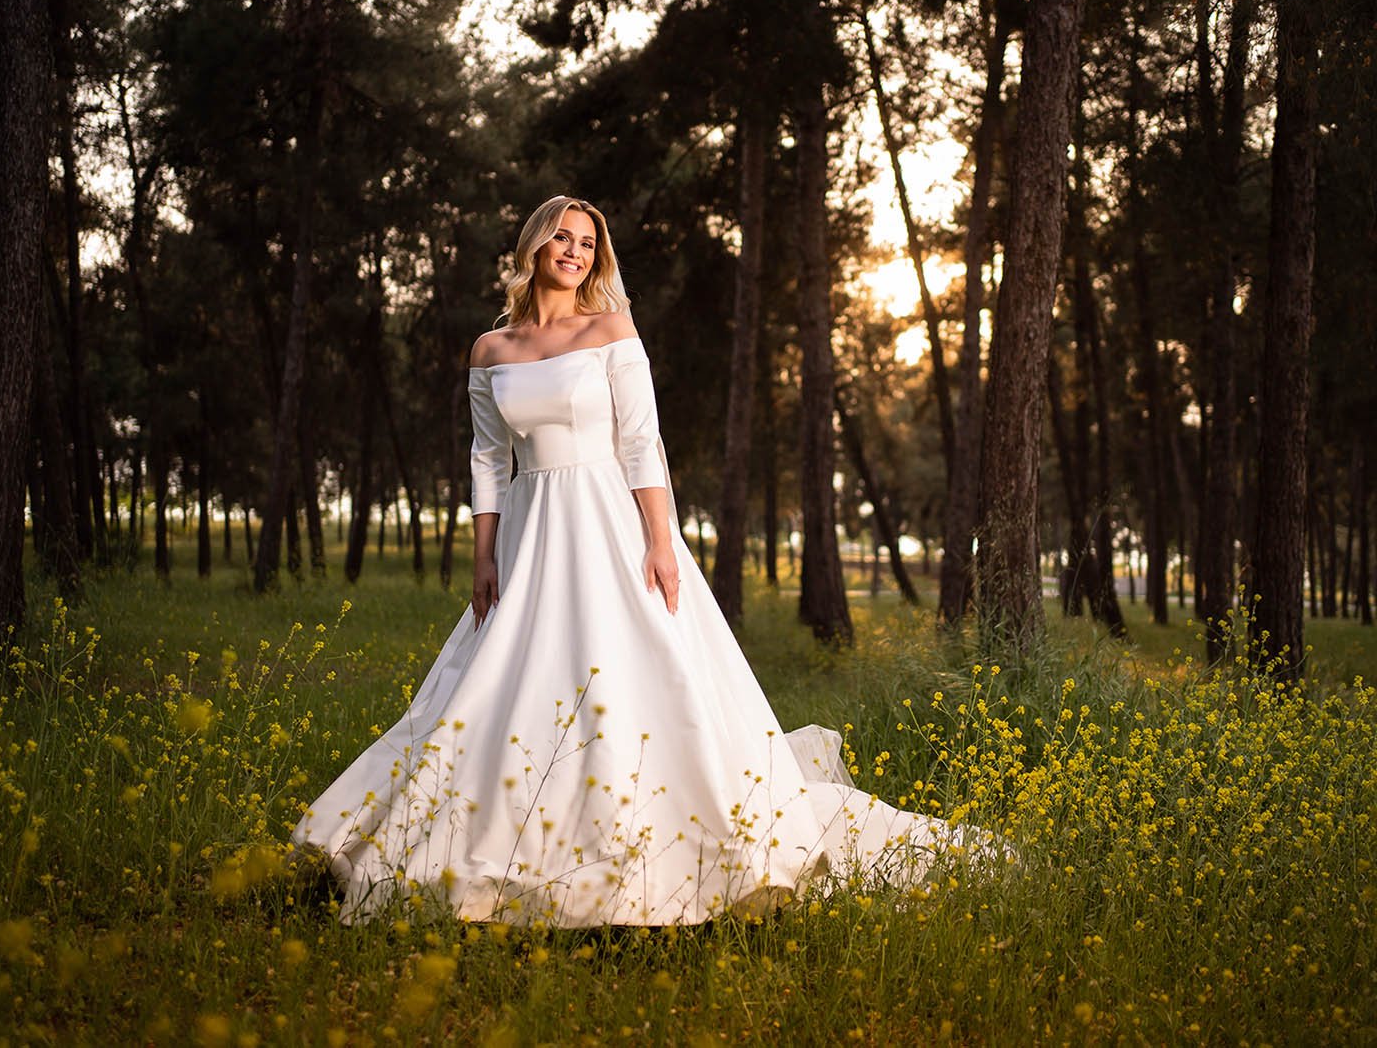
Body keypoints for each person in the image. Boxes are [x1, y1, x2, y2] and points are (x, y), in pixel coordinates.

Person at [292, 196, 997, 926]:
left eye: (588, 243)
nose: (574, 251)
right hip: (530, 533)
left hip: (609, 521)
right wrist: (482, 556)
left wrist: (659, 541)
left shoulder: (611, 328)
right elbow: (487, 459)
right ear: (535, 245)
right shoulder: (490, 349)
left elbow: (641, 442)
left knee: (633, 672)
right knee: (505, 681)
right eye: (562, 237)